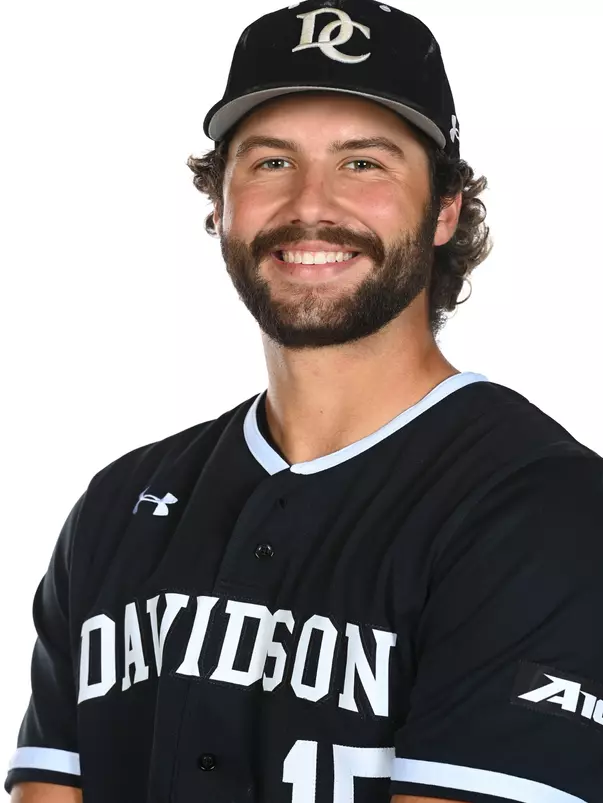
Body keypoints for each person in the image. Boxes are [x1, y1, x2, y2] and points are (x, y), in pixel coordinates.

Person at [6, 0, 603, 801]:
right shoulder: (117, 506)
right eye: (271, 162)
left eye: (363, 163)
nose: (310, 204)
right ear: (219, 202)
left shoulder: (542, 509)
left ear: (445, 211)